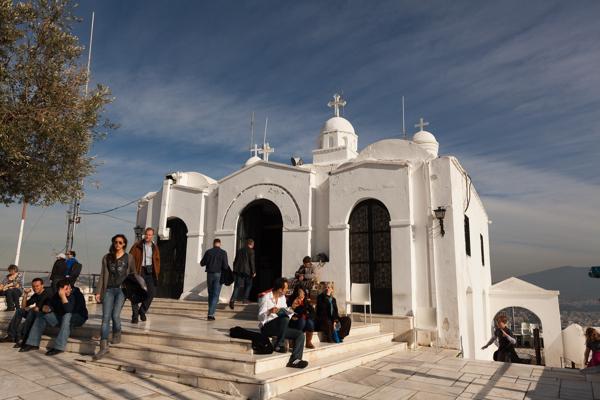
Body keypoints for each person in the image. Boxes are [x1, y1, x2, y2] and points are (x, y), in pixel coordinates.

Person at [93, 234, 136, 360]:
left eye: (120, 242)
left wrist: (133, 291)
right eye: (115, 242)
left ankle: (117, 333)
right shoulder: (106, 257)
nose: (117, 244)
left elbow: (133, 274)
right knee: (105, 317)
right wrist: (98, 291)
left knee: (115, 315)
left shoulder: (129, 257)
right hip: (108, 290)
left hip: (122, 290)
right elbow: (102, 275)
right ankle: (103, 346)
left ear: (124, 244)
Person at [21, 279, 88, 356]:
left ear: (69, 286)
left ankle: (59, 347)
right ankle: (33, 343)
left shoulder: (77, 294)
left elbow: (69, 310)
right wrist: (47, 308)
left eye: (67, 289)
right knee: (41, 315)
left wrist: (63, 296)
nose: (67, 291)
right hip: (62, 319)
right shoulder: (56, 295)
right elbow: (51, 306)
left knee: (67, 315)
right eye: (63, 290)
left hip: (78, 318)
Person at [258, 277, 308, 369]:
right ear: (280, 289)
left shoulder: (282, 298)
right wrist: (269, 311)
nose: (287, 290)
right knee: (284, 319)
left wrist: (292, 307)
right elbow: (260, 316)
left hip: (280, 328)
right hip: (267, 327)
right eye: (286, 288)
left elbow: (286, 313)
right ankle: (279, 345)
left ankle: (295, 360)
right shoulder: (266, 297)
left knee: (300, 334)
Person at [0, 277, 49, 346]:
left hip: (44, 316)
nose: (35, 288)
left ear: (42, 285)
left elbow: (41, 309)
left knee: (30, 313)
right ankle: (11, 336)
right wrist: (25, 294)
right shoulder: (36, 295)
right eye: (33, 286)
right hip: (35, 314)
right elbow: (23, 306)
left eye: (37, 286)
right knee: (19, 311)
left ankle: (24, 339)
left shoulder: (47, 293)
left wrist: (33, 309)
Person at [129, 227, 160, 323]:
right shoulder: (137, 246)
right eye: (147, 234)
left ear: (152, 236)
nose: (148, 236)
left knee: (151, 293)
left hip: (150, 272)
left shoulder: (155, 247)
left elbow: (157, 260)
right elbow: (130, 258)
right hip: (139, 271)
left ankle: (142, 311)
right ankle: (134, 315)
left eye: (150, 235)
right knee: (135, 294)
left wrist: (157, 271)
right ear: (144, 234)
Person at [200, 238, 230, 321]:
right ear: (220, 244)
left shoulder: (208, 252)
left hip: (209, 274)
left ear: (213, 244)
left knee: (211, 293)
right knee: (216, 294)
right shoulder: (223, 253)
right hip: (218, 274)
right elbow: (225, 266)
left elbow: (202, 263)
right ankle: (210, 314)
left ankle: (211, 312)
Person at [229, 238, 255, 309]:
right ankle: (245, 299)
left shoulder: (239, 250)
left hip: (238, 271)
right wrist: (253, 271)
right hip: (247, 271)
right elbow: (251, 262)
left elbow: (235, 261)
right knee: (249, 285)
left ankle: (232, 300)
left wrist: (235, 269)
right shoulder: (251, 251)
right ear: (251, 244)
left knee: (237, 286)